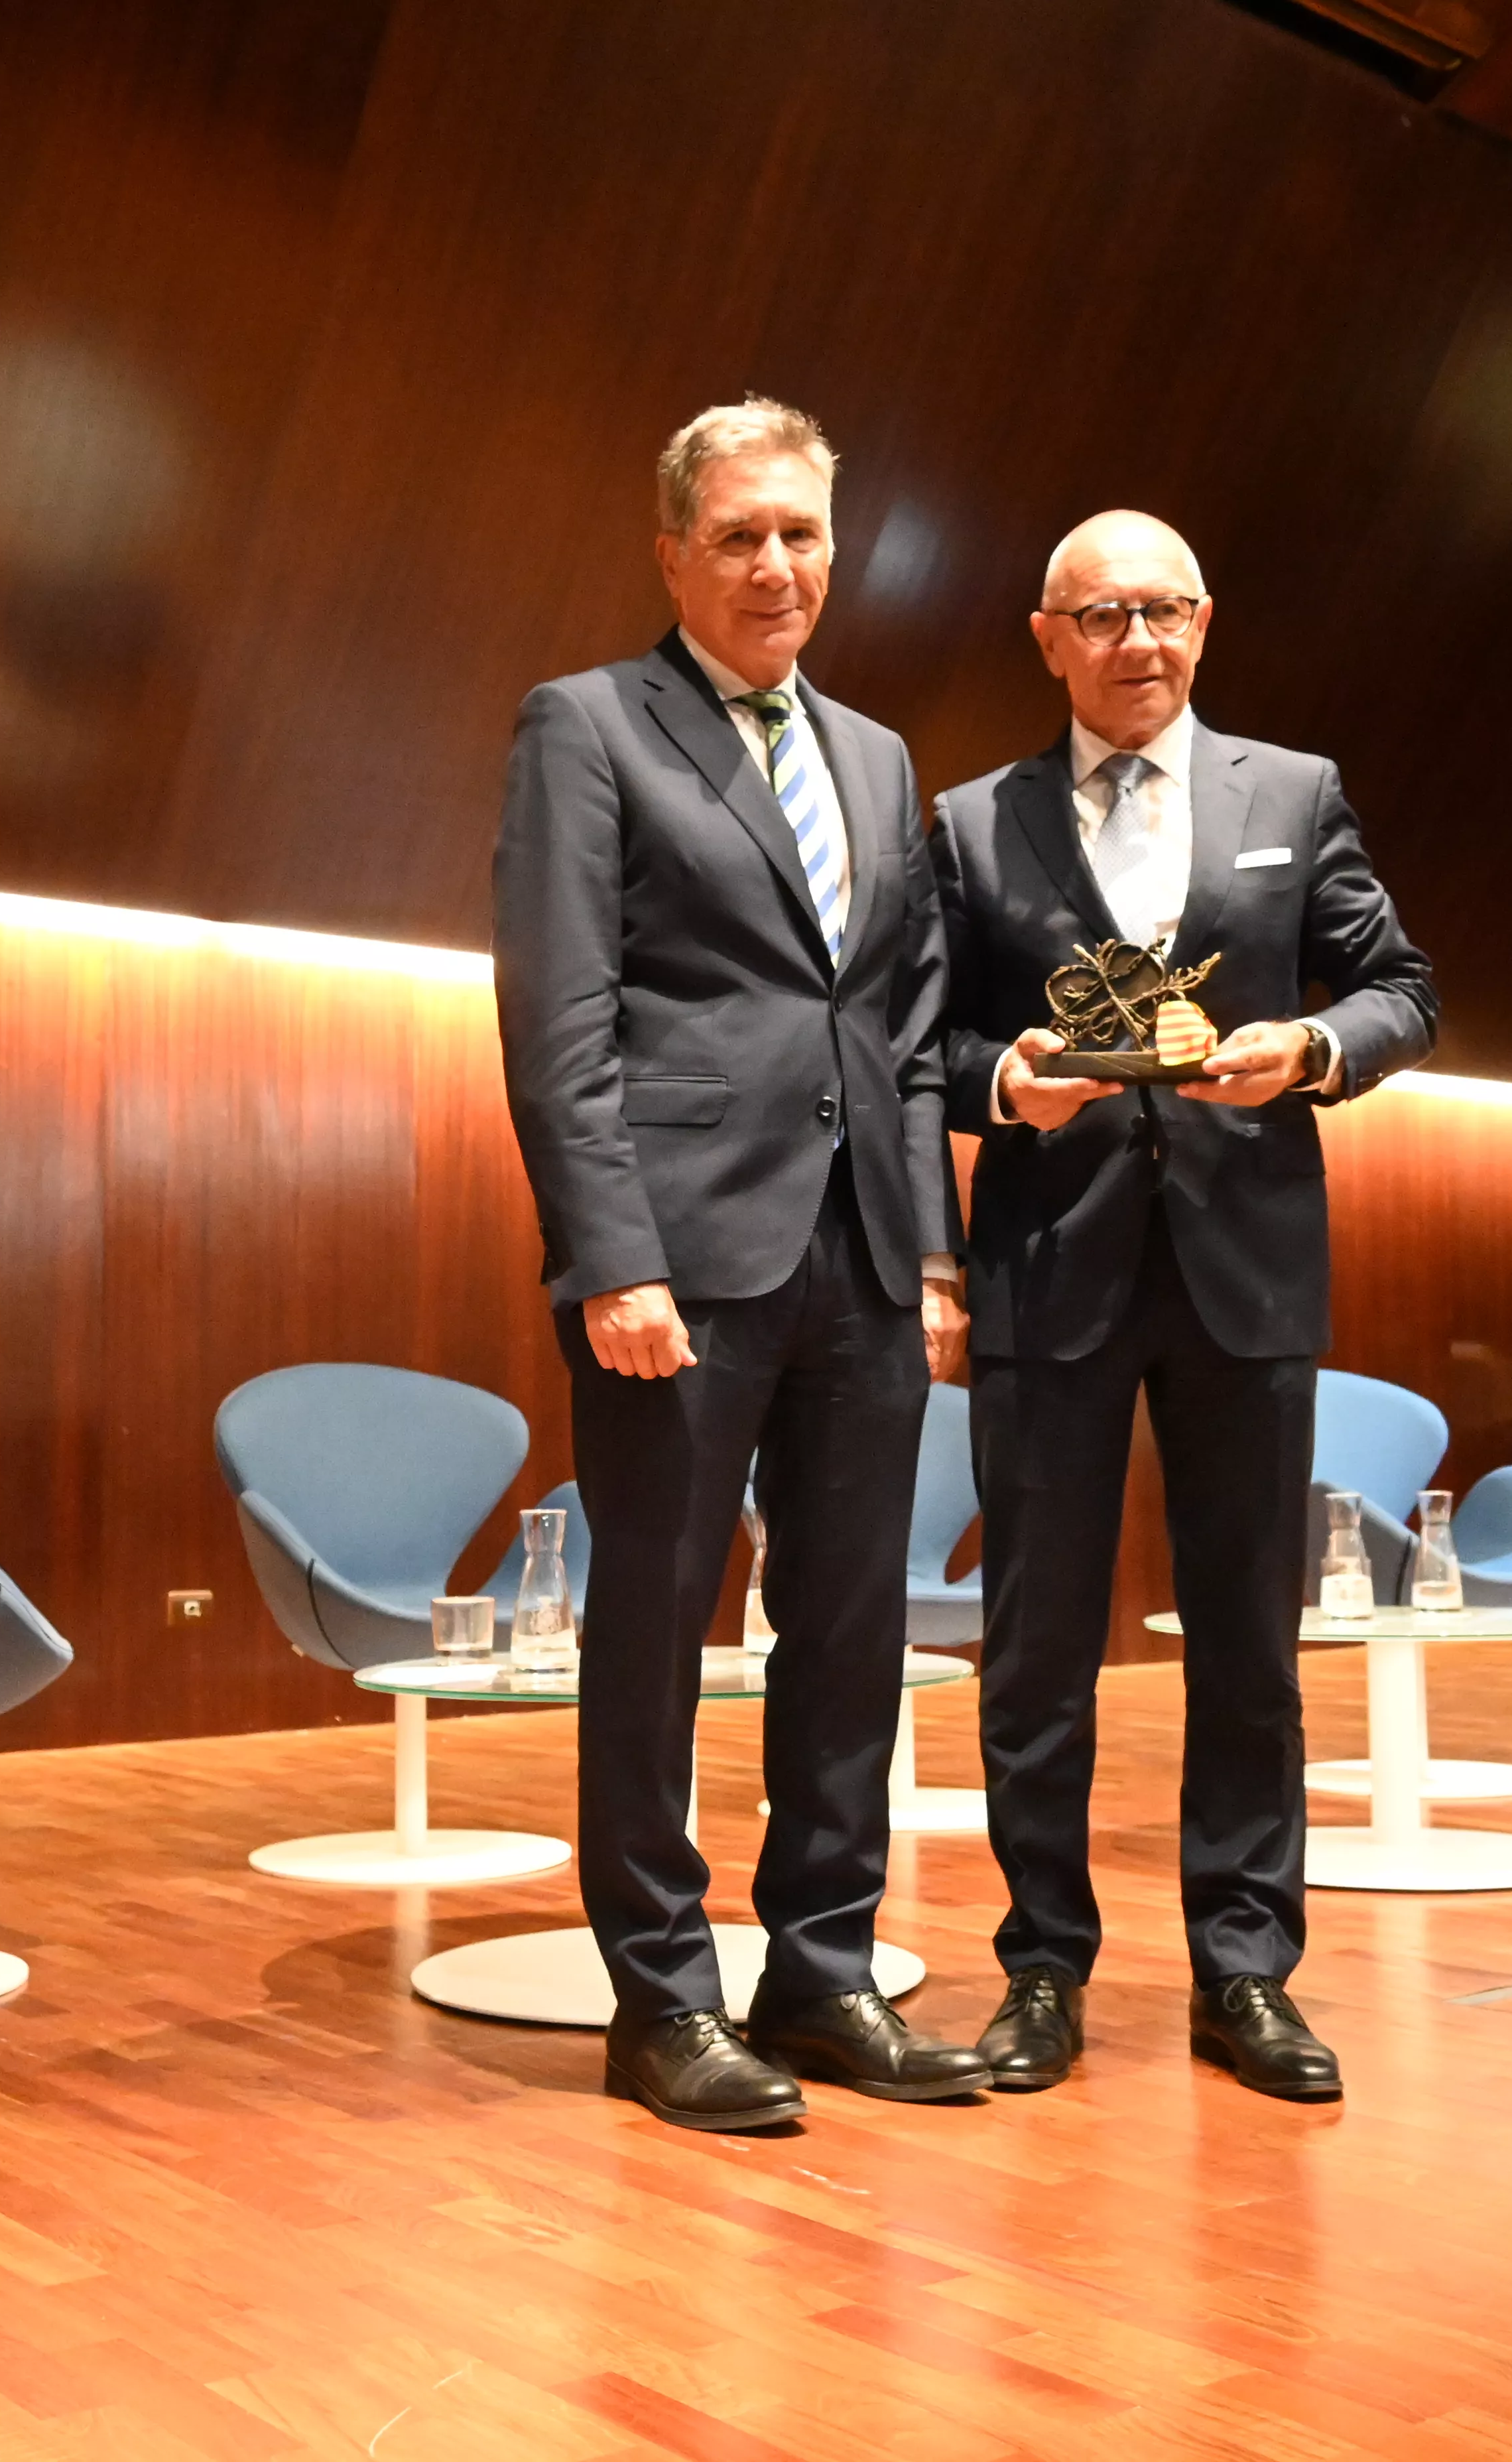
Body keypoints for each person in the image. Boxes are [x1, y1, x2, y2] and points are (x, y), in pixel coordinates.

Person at [493, 398, 989, 2132]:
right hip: (679, 1272)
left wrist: (933, 1257)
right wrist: (608, 1257)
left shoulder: (876, 755)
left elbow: (912, 1037)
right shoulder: (586, 728)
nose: (776, 567)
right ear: (673, 554)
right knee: (652, 1627)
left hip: (862, 1262)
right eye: (740, 538)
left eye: (801, 537)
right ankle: (659, 1994)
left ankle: (826, 1971)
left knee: (848, 1629)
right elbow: (560, 1026)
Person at [928, 511, 1436, 2102]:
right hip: (1046, 1269)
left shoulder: (1294, 793)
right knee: (1035, 1651)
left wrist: (1315, 1048)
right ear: (1045, 637)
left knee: (1247, 1644)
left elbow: (1401, 989)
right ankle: (1039, 1968)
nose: (1134, 641)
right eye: (1100, 616)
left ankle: (1246, 1970)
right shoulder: (966, 823)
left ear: (1204, 622)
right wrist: (1008, 1080)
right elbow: (911, 1041)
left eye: (1160, 612)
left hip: (1244, 1267)